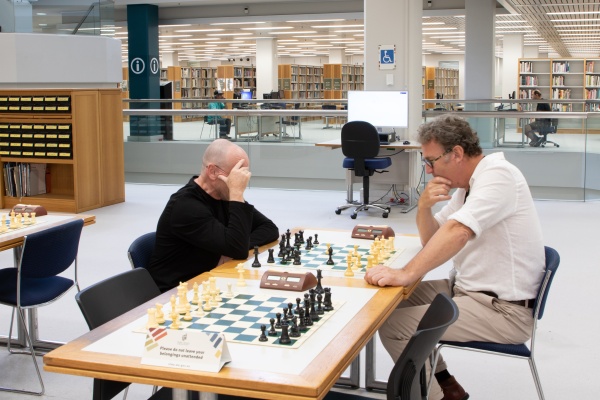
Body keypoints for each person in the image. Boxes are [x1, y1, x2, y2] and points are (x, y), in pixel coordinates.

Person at [365, 114, 545, 400]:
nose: (428, 168)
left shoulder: (498, 176)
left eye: (431, 160)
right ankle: (447, 385)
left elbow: (458, 231)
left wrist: (407, 273)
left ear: (457, 153)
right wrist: (423, 208)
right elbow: (433, 238)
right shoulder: (467, 186)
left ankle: (435, 396)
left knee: (393, 324)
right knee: (385, 301)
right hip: (469, 291)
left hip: (503, 310)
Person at [147, 139, 279, 292]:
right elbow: (237, 248)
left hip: (210, 281)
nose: (240, 182)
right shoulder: (185, 206)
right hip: (178, 293)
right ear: (213, 171)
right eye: (236, 175)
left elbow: (269, 228)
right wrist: (236, 194)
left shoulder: (223, 195)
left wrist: (232, 248)